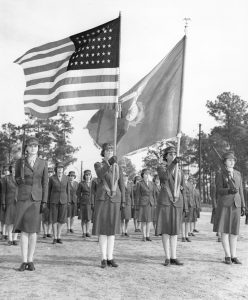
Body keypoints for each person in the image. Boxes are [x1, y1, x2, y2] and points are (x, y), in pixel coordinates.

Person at [14, 136, 48, 271]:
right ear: (26, 148)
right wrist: (20, 177)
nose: (33, 148)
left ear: (38, 148)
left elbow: (45, 183)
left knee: (33, 231)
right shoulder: (19, 162)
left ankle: (31, 260)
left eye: (36, 146)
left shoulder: (43, 163)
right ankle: (23, 261)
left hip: (36, 200)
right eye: (31, 145)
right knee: (23, 230)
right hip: (23, 199)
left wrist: (44, 200)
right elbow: (16, 180)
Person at [92, 143, 125, 268]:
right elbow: (100, 174)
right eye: (107, 150)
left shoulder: (118, 167)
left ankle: (110, 257)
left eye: (111, 150)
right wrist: (109, 163)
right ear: (103, 152)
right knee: (103, 229)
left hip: (115, 199)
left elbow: (121, 184)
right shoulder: (99, 164)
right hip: (103, 199)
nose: (110, 152)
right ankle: (103, 258)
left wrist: (124, 200)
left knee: (112, 230)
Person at [156, 146, 188, 266]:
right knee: (166, 230)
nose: (173, 155)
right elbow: (164, 178)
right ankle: (167, 257)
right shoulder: (161, 167)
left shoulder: (180, 171)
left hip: (177, 202)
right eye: (170, 154)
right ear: (166, 156)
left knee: (174, 231)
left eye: (174, 153)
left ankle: (174, 256)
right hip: (165, 201)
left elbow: (183, 189)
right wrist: (173, 164)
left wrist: (185, 206)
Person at [213, 151, 246, 264]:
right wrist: (228, 190)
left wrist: (243, 206)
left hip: (236, 204)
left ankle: (234, 255)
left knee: (234, 232)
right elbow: (218, 190)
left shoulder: (237, 173)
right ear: (224, 162)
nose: (232, 162)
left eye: (233, 160)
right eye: (229, 160)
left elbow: (241, 190)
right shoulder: (220, 173)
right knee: (225, 231)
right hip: (225, 205)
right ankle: (227, 256)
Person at [48, 162, 70, 244]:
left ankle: (59, 237)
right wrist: (47, 202)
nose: (60, 169)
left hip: (63, 201)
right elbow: (49, 191)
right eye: (58, 168)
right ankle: (54, 237)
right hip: (54, 201)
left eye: (61, 168)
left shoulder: (66, 178)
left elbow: (68, 191)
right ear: (56, 169)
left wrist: (68, 201)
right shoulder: (52, 178)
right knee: (54, 220)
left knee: (61, 220)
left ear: (63, 169)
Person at [136, 168, 155, 241]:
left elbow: (153, 194)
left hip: (150, 203)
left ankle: (148, 235)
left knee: (149, 220)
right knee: (143, 220)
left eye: (148, 174)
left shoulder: (152, 183)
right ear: (142, 175)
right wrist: (137, 205)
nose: (147, 175)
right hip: (143, 203)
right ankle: (144, 235)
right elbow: (137, 195)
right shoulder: (139, 183)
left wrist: (154, 203)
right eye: (145, 174)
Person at [1, 165, 18, 245]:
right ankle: (10, 239)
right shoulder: (6, 178)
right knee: (9, 221)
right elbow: (3, 192)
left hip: (19, 202)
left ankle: (15, 239)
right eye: (13, 168)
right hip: (9, 202)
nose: (15, 169)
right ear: (11, 169)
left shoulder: (21, 178)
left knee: (17, 221)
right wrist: (3, 202)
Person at [77, 169, 93, 238]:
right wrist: (80, 200)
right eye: (86, 175)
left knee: (89, 218)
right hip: (83, 202)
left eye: (89, 175)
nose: (88, 176)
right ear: (84, 176)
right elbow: (78, 193)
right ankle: (83, 232)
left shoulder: (93, 183)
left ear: (91, 175)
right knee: (83, 218)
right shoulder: (81, 183)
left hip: (90, 202)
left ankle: (87, 231)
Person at [41, 167, 54, 239]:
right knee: (44, 218)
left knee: (51, 218)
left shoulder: (54, 180)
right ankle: (45, 233)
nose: (49, 173)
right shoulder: (43, 181)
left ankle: (49, 232)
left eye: (51, 172)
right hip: (44, 201)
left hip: (52, 201)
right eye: (48, 172)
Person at [181, 173, 192, 242]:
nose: (186, 177)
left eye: (187, 175)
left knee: (188, 221)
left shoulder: (190, 184)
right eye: (185, 175)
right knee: (183, 221)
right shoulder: (180, 183)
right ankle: (183, 236)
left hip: (189, 204)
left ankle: (187, 235)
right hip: (183, 203)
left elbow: (192, 194)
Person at [210, 174, 221, 242]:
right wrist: (215, 206)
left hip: (222, 204)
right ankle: (219, 236)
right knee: (218, 221)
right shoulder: (214, 186)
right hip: (217, 205)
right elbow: (213, 197)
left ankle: (220, 233)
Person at [0, 165, 10, 240]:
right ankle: (3, 233)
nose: (6, 171)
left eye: (7, 170)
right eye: (5, 170)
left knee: (7, 218)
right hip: (2, 200)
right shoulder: (2, 180)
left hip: (8, 200)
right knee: (2, 218)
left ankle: (5, 233)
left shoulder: (10, 179)